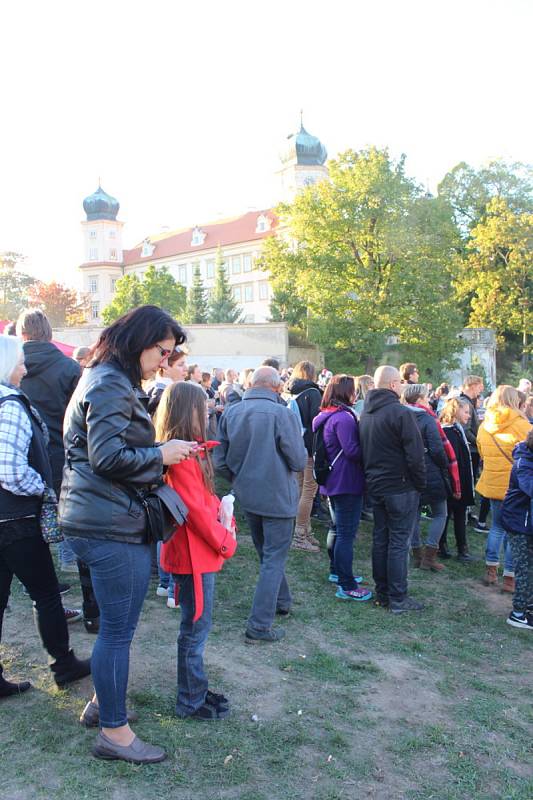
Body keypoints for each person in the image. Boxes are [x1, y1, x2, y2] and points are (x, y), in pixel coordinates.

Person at [59, 305, 196, 764]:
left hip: (98, 518)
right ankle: (115, 734)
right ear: (142, 340)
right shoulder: (111, 383)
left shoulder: (103, 377)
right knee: (117, 633)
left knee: (116, 631)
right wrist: (163, 454)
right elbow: (109, 458)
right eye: (164, 350)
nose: (165, 360)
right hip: (108, 525)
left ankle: (104, 706)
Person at [0, 335, 90, 698]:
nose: (25, 367)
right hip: (15, 523)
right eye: (20, 362)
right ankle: (64, 665)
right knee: (47, 594)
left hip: (8, 520)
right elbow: (8, 469)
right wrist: (42, 488)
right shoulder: (8, 406)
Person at [155, 381, 237, 718]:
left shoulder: (188, 451)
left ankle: (195, 690)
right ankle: (190, 700)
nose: (207, 412)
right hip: (193, 554)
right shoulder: (182, 457)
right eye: (201, 408)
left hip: (196, 553)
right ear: (186, 411)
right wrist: (225, 540)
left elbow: (203, 502)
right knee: (195, 627)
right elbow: (197, 512)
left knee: (197, 626)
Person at [214, 367, 307, 643]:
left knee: (268, 556)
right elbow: (299, 461)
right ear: (276, 387)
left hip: (249, 495)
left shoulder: (231, 412)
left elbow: (220, 460)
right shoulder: (282, 414)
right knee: (273, 559)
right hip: (277, 496)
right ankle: (259, 625)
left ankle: (281, 600)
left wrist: (240, 478)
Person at [16, 309, 81, 574]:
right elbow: (79, 416)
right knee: (65, 507)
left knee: (23, 512)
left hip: (19, 452)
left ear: (22, 334)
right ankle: (67, 557)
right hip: (59, 450)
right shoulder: (69, 367)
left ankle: (33, 569)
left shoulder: (10, 366)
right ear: (49, 334)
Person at [359, 366, 426, 613]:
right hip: (399, 486)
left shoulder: (366, 413)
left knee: (382, 539)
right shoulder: (400, 413)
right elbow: (415, 456)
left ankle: (383, 593)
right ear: (394, 384)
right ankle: (397, 597)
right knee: (397, 541)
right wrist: (420, 484)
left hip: (377, 484)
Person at [312, 375, 372, 601]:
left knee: (336, 529)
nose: (356, 394)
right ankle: (347, 586)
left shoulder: (324, 415)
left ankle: (337, 572)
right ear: (346, 392)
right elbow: (353, 451)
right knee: (346, 533)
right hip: (346, 481)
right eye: (353, 390)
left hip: (331, 479)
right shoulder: (344, 418)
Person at [476, 385, 531, 592]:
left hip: (492, 482)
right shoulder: (522, 425)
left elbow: (481, 452)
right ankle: (510, 577)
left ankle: (491, 570)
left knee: (496, 527)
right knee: (514, 531)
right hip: (515, 486)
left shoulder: (485, 424)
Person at [403, 384, 461, 570]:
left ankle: (417, 555)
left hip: (409, 470)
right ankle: (428, 557)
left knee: (414, 514)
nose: (428, 400)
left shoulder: (401, 416)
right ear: (419, 399)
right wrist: (444, 464)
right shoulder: (427, 418)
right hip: (431, 471)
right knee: (440, 513)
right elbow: (437, 448)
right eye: (426, 398)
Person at [287, 361, 322, 553]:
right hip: (309, 448)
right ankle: (300, 534)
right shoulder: (313, 393)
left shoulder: (291, 391)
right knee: (309, 491)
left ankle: (304, 530)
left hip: (295, 445)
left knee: (301, 490)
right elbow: (316, 423)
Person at [501, 429, 533, 630]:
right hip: (519, 522)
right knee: (525, 568)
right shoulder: (524, 462)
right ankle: (518, 613)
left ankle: (528, 606)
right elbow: (529, 487)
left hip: (527, 521)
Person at [439, 398, 476, 562]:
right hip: (454, 481)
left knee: (460, 514)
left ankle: (462, 547)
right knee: (447, 514)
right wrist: (456, 485)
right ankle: (442, 545)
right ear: (456, 411)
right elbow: (452, 461)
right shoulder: (448, 431)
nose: (468, 416)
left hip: (461, 479)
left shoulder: (458, 429)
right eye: (466, 412)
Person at [146, 347, 187, 416]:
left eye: (185, 364)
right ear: (165, 368)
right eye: (180, 365)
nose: (186, 368)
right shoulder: (161, 394)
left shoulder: (163, 389)